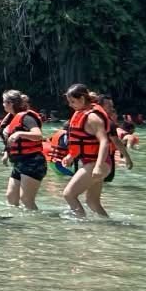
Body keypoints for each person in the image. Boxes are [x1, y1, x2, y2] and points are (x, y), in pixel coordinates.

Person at [62, 83, 114, 218]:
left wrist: (98, 166)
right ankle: (109, 226)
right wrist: (70, 156)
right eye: (69, 102)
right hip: (91, 163)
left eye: (73, 101)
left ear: (82, 99)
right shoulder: (80, 114)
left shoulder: (92, 118)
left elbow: (104, 142)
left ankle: (81, 225)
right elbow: (80, 142)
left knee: (69, 194)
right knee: (92, 202)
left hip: (99, 163)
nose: (70, 105)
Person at [0, 90, 47, 211]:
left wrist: (20, 133)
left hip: (33, 161)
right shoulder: (12, 118)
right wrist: (6, 153)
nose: (3, 105)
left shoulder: (26, 117)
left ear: (10, 103)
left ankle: (36, 225)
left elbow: (38, 135)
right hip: (19, 162)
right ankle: (18, 225)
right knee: (11, 197)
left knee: (26, 199)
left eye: (4, 102)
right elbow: (11, 140)